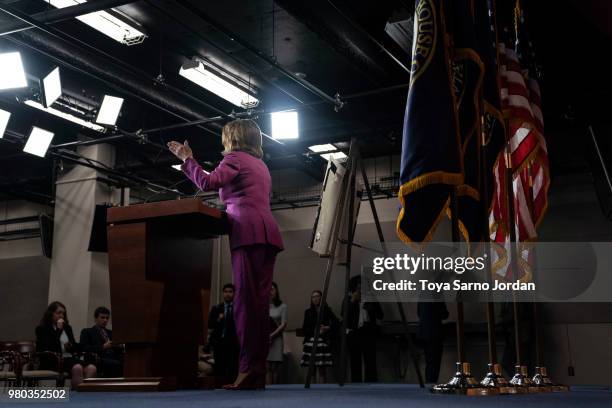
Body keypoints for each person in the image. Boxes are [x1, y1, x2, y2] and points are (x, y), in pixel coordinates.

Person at [168, 119, 283, 390]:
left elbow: (209, 182)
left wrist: (188, 160)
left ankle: (246, 370)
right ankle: (257, 371)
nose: (223, 144)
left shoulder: (235, 158)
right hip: (268, 235)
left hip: (247, 234)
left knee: (245, 306)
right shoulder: (261, 165)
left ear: (233, 138)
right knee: (259, 307)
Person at [35, 301, 97, 389]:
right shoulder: (42, 329)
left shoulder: (67, 328)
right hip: (52, 360)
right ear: (51, 313)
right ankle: (77, 395)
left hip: (68, 358)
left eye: (63, 313)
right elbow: (48, 346)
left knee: (92, 368)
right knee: (77, 367)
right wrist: (59, 330)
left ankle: (84, 393)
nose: (61, 316)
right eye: (58, 313)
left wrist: (70, 346)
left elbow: (74, 346)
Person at [345, 276, 383, 383]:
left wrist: (370, 307)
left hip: (368, 331)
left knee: (370, 360)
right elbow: (344, 315)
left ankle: (371, 383)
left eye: (362, 287)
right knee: (355, 360)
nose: (360, 289)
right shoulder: (348, 298)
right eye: (358, 287)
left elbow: (381, 315)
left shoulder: (371, 297)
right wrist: (353, 301)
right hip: (354, 332)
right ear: (354, 288)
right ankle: (356, 383)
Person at [300, 290, 338, 383]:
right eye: (313, 297)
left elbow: (337, 323)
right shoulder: (308, 311)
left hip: (322, 341)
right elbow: (304, 328)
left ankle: (323, 390)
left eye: (317, 296)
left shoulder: (327, 310)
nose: (315, 298)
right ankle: (312, 390)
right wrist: (315, 331)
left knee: (322, 369)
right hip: (311, 341)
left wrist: (327, 327)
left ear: (321, 298)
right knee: (311, 370)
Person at [203, 283, 239, 382]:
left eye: (230, 292)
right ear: (223, 293)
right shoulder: (216, 308)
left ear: (234, 294)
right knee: (220, 366)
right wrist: (218, 319)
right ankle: (219, 387)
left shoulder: (238, 309)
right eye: (226, 292)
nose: (228, 294)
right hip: (219, 342)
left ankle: (233, 385)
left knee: (233, 366)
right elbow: (210, 325)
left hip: (233, 342)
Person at [80, 306, 123, 378]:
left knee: (128, 362)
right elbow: (84, 348)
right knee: (116, 364)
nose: (105, 320)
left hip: (114, 357)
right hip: (99, 358)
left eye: (107, 318)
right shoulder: (87, 331)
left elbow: (116, 348)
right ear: (96, 318)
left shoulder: (111, 333)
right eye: (102, 317)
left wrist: (119, 346)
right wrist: (103, 347)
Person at [417, 301, 449, 384]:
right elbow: (444, 314)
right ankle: (431, 384)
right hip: (435, 333)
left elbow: (419, 313)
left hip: (423, 332)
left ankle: (429, 384)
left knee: (429, 362)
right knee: (434, 363)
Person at [267, 282, 287, 384]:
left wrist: (272, 335)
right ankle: (267, 389)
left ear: (276, 291)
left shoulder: (283, 306)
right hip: (265, 339)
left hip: (277, 338)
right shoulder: (262, 306)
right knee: (267, 367)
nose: (270, 292)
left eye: (272, 289)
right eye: (268, 289)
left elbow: (283, 324)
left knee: (275, 366)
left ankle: (275, 389)